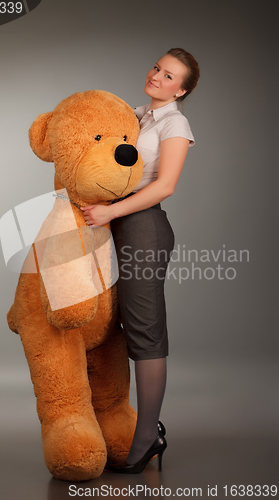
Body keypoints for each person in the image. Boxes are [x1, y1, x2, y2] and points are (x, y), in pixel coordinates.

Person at [81, 48, 200, 473]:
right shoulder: (135, 114)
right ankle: (120, 424)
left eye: (169, 76)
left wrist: (110, 212)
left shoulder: (175, 122)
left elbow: (165, 185)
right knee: (112, 326)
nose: (157, 76)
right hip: (112, 227)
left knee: (144, 332)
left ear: (181, 89)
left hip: (142, 228)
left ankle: (148, 436)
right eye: (157, 67)